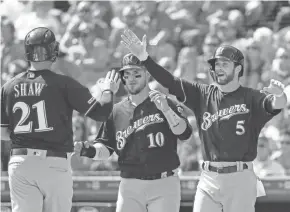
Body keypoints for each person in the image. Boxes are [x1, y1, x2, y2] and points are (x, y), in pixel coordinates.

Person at [120, 29, 288, 212]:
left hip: (241, 176)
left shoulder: (251, 97)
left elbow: (274, 104)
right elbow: (170, 82)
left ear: (238, 68)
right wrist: (145, 58)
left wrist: (280, 96)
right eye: (216, 64)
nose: (219, 68)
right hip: (209, 176)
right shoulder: (203, 94)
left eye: (225, 63)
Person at [0, 27, 120, 212]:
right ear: (53, 51)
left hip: (21, 161)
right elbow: (101, 113)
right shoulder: (64, 83)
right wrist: (108, 90)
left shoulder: (8, 87)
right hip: (54, 163)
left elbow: (3, 134)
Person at [74, 53, 192, 212]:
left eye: (137, 73)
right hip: (130, 185)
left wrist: (166, 111)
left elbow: (185, 133)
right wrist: (87, 150)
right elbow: (106, 148)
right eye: (127, 74)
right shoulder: (116, 111)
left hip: (164, 183)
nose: (131, 78)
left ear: (147, 74)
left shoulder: (164, 101)